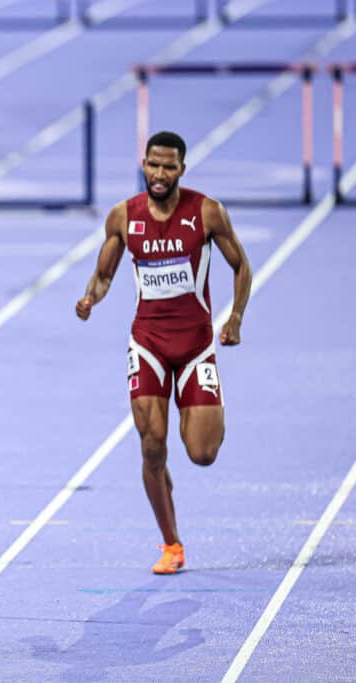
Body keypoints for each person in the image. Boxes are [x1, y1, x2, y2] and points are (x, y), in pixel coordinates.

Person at [75, 131, 252, 575]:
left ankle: (204, 408)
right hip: (148, 344)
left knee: (202, 453)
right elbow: (103, 275)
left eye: (168, 166)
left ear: (181, 170)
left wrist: (234, 320)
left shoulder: (206, 212)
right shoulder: (123, 217)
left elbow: (241, 266)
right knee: (152, 447)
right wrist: (89, 299)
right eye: (153, 165)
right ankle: (171, 545)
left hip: (195, 347)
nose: (159, 174)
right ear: (144, 165)